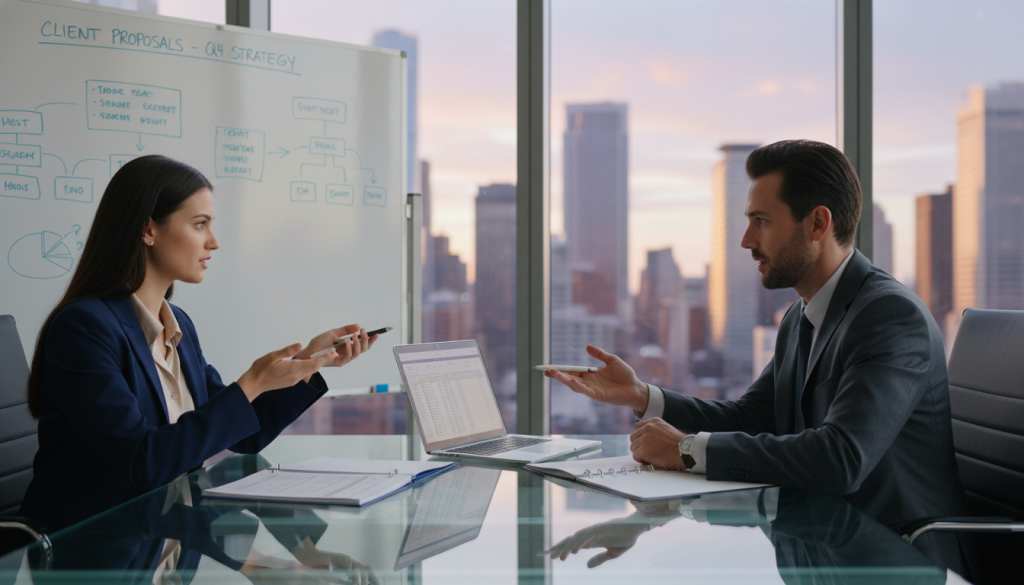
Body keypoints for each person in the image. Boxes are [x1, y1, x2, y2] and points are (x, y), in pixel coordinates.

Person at [544, 140, 966, 571]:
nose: (747, 241)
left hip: (891, 563)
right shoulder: (802, 315)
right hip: (820, 549)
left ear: (818, 223)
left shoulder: (888, 317)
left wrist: (688, 449)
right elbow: (751, 420)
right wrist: (643, 396)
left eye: (761, 222)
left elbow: (840, 458)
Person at [20, 155, 379, 531]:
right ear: (148, 230)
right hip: (95, 548)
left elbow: (245, 433)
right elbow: (145, 462)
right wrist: (252, 381)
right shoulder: (84, 328)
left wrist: (311, 360)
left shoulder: (179, 327)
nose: (214, 241)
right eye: (199, 224)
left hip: (166, 543)